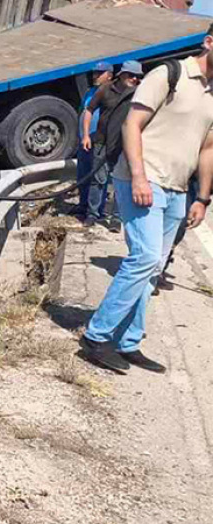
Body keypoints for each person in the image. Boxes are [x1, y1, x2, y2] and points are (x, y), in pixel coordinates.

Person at [80, 27, 213, 374]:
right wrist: (138, 175)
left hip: (178, 189)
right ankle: (96, 336)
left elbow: (208, 147)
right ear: (209, 43)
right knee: (145, 257)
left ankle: (129, 342)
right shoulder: (170, 74)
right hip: (143, 179)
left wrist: (202, 197)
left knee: (154, 266)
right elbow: (132, 125)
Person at [79, 62, 143, 228]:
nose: (135, 79)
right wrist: (86, 135)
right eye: (131, 75)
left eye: (138, 77)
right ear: (121, 75)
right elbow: (89, 110)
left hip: (126, 145)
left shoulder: (140, 93)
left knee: (121, 182)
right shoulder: (105, 89)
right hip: (102, 142)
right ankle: (93, 214)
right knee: (98, 180)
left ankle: (117, 218)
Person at [76, 62, 114, 223]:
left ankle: (95, 212)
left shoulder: (111, 94)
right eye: (94, 74)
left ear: (110, 75)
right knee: (82, 175)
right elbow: (84, 112)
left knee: (98, 178)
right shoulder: (90, 93)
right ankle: (83, 206)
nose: (95, 76)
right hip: (85, 142)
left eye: (100, 73)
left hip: (99, 142)